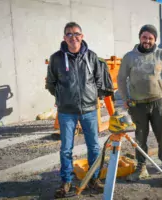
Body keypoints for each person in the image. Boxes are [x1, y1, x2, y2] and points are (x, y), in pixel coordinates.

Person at [117, 24, 162, 186]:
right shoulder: (129, 57)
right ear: (140, 38)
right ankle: (141, 168)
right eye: (144, 37)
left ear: (154, 39)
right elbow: (121, 79)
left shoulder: (161, 54)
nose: (147, 40)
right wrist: (125, 98)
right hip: (137, 105)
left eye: (150, 38)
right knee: (140, 137)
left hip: (158, 103)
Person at [46, 22, 104, 198]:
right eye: (69, 34)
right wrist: (61, 97)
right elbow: (50, 83)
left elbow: (99, 80)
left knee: (94, 146)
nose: (73, 37)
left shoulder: (92, 56)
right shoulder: (56, 58)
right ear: (64, 38)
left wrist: (95, 97)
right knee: (66, 149)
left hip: (89, 110)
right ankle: (66, 181)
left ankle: (94, 179)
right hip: (66, 111)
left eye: (76, 34)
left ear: (82, 35)